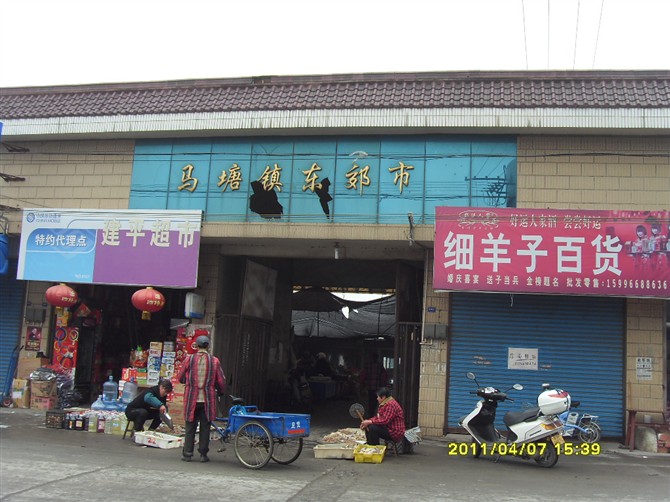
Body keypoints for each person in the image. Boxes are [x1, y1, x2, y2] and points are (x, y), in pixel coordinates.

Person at [177, 335, 226, 463]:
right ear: (208, 346)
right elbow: (221, 381)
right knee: (205, 427)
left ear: (197, 346)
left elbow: (180, 377)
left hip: (191, 398)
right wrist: (221, 391)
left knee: (190, 426)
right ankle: (203, 454)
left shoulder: (189, 359)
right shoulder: (214, 361)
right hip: (207, 400)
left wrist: (187, 381)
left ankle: (187, 453)